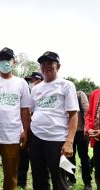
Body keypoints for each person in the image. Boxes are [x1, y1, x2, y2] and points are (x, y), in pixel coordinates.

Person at [0, 47, 31, 190]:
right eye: (1, 59)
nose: (4, 62)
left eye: (7, 59)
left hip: (12, 135)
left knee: (11, 175)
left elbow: (25, 110)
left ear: (13, 62)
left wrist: (26, 132)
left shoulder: (21, 83)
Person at [29, 51, 79, 190]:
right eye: (43, 64)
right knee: (38, 177)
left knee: (60, 179)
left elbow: (73, 115)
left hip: (58, 140)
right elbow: (32, 112)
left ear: (59, 66)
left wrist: (69, 141)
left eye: (50, 63)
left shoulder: (67, 85)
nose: (46, 66)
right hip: (36, 137)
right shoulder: (35, 89)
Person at [17, 71, 43, 189]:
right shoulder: (28, 94)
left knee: (39, 161)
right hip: (27, 129)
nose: (30, 83)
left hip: (40, 132)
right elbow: (25, 113)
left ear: (40, 80)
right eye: (29, 81)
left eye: (33, 81)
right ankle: (21, 182)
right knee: (23, 156)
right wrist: (24, 129)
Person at [67, 90, 92, 189]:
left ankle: (87, 182)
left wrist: (87, 127)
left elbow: (86, 110)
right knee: (68, 157)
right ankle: (71, 179)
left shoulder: (79, 94)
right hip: (67, 133)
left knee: (84, 157)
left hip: (81, 131)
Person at [85, 88, 100, 189]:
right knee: (98, 169)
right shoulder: (95, 93)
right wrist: (89, 128)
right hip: (97, 140)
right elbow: (89, 113)